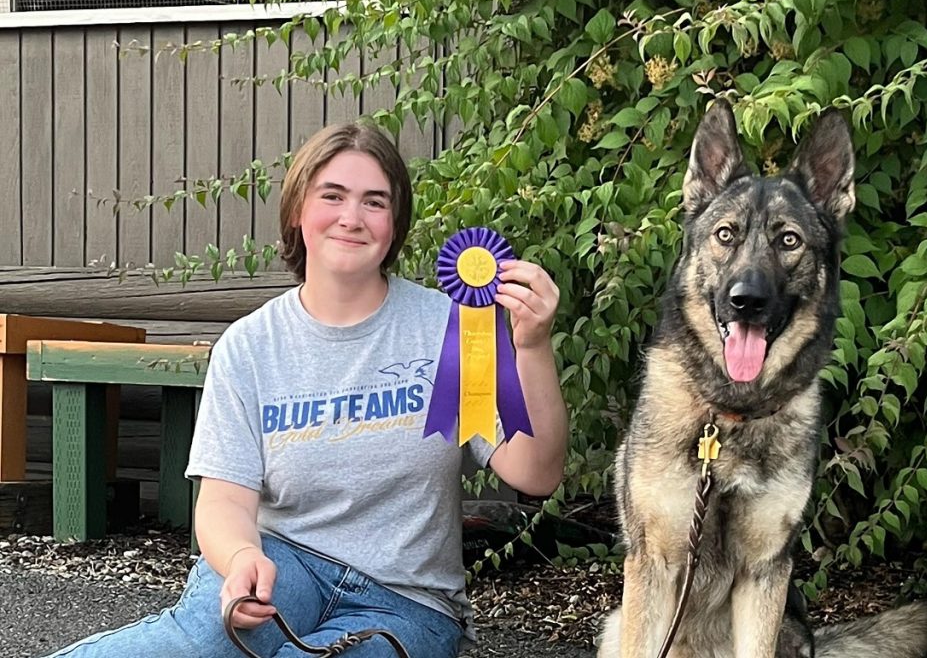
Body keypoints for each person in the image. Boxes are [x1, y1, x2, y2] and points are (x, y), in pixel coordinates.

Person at [46, 122, 569, 657]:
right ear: (298, 209)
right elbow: (223, 499)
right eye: (333, 195)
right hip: (284, 565)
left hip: (406, 600)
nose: (351, 217)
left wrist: (530, 346)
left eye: (374, 201)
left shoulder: (455, 330)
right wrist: (241, 556)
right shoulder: (249, 346)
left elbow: (535, 471)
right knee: (197, 645)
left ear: (395, 223)